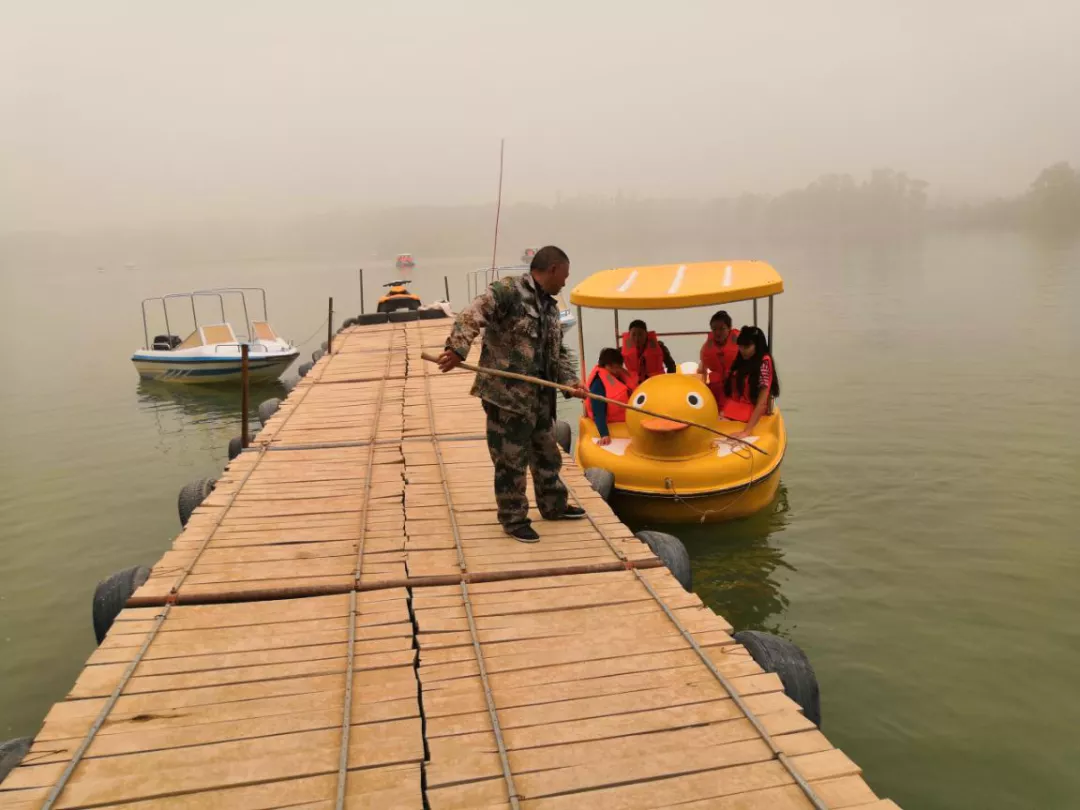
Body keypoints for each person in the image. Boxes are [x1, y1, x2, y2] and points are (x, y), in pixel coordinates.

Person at [437, 246, 588, 543]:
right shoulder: (508, 292)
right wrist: (457, 349)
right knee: (510, 461)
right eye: (565, 276)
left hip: (540, 398)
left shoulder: (550, 308)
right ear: (554, 268)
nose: (565, 283)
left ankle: (553, 505)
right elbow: (471, 314)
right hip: (506, 398)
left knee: (547, 454)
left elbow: (555, 353)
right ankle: (514, 518)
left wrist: (571, 382)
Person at [722, 326, 780, 438]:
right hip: (736, 407)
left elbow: (762, 403)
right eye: (741, 346)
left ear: (757, 346)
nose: (743, 350)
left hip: (751, 409)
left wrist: (746, 431)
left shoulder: (764, 364)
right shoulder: (742, 360)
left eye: (747, 347)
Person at [585, 348, 633, 446]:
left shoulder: (618, 376)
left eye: (620, 366)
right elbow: (598, 411)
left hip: (628, 419)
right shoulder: (598, 384)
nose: (618, 370)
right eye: (615, 367)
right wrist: (604, 434)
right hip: (613, 424)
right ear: (607, 365)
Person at [699, 310, 740, 405]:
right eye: (714, 329)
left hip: (736, 388)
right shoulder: (707, 347)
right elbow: (702, 368)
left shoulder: (741, 344)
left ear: (729, 328)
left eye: (722, 329)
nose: (718, 332)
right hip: (717, 389)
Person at [621, 319, 676, 385]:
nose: (637, 338)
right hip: (635, 387)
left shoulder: (660, 348)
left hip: (657, 384)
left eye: (640, 334)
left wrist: (668, 381)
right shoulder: (621, 351)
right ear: (629, 335)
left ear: (646, 334)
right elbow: (613, 366)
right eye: (634, 335)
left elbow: (671, 365)